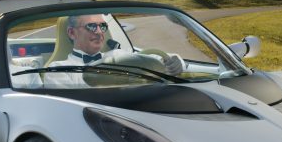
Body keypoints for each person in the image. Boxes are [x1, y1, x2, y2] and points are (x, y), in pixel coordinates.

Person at [43, 13, 183, 86]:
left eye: (103, 27)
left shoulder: (118, 54)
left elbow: (156, 59)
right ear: (72, 33)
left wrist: (176, 62)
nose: (99, 32)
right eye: (91, 26)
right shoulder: (57, 70)